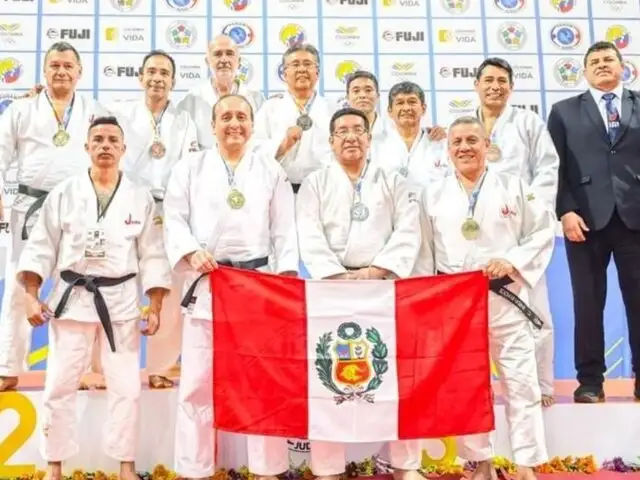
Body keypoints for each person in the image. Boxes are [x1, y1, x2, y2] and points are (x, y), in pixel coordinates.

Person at [16, 115, 171, 480]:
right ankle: (54, 464)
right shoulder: (64, 193)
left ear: (123, 149)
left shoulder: (139, 196)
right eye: (97, 139)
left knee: (127, 389)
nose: (104, 145)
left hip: (121, 304)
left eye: (112, 140)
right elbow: (40, 246)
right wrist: (31, 295)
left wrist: (156, 305)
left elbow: (152, 253)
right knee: (58, 385)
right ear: (86, 147)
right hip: (72, 301)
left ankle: (125, 463)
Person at [163, 94, 299, 479]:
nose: (234, 123)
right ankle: (194, 469)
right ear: (212, 125)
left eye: (242, 116)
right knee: (197, 383)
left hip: (256, 285)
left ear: (253, 126)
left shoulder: (270, 169)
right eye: (226, 117)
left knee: (262, 380)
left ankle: (267, 468)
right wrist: (190, 252)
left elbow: (284, 229)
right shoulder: (190, 166)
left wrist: (286, 276)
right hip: (208, 282)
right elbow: (173, 217)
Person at [416, 116, 554, 480]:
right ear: (447, 150)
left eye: (472, 140)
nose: (464, 148)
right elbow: (425, 253)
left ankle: (525, 462)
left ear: (486, 145)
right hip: (456, 303)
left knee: (521, 381)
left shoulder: (515, 186)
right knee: (468, 385)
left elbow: (541, 234)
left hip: (505, 298)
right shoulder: (433, 193)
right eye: (457, 141)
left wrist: (512, 260)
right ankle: (481, 461)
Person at [296, 107, 422, 480]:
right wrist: (337, 275)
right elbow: (309, 232)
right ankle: (326, 467)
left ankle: (405, 464)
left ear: (370, 137)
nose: (350, 137)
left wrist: (375, 270)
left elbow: (408, 230)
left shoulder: (392, 179)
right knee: (327, 376)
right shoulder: (316, 182)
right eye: (342, 131)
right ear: (331, 140)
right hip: (330, 289)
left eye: (358, 130)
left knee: (396, 375)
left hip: (382, 286)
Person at [0, 41, 108, 391]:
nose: (61, 71)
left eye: (67, 66)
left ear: (79, 72)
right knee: (20, 286)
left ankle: (77, 369)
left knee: (78, 287)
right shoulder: (21, 109)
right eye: (54, 65)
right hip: (29, 209)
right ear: (44, 71)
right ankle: (7, 366)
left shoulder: (95, 109)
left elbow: (110, 153)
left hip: (78, 209)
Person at [547, 41, 640, 403]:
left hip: (635, 218)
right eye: (594, 61)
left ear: (623, 66)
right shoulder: (563, 111)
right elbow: (555, 169)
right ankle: (589, 381)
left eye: (608, 59)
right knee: (587, 303)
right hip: (583, 221)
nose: (602, 65)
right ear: (584, 72)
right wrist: (565, 210)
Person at [103, 49, 199, 389]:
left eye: (165, 73)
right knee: (120, 284)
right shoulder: (120, 113)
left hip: (170, 210)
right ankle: (113, 367)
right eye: (152, 72)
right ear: (140, 77)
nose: (157, 78)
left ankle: (160, 366)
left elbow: (190, 167)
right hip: (128, 206)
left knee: (169, 290)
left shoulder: (184, 121)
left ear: (173, 81)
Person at [472, 57, 559, 407]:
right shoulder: (465, 125)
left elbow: (547, 168)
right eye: (488, 79)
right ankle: (482, 387)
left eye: (502, 81)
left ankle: (543, 387)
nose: (495, 86)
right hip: (480, 230)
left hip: (521, 227)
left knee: (535, 308)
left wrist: (531, 210)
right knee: (481, 317)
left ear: (511, 87)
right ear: (476, 84)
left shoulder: (528, 122)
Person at [253, 43, 335, 193]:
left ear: (317, 72)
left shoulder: (332, 109)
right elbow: (254, 147)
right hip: (280, 189)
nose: (302, 69)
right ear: (284, 74)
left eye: (308, 64)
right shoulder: (270, 108)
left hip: (323, 189)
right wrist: (283, 145)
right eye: (295, 64)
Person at [177, 34, 265, 150]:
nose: (224, 60)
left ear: (238, 61)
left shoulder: (256, 99)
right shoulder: (191, 100)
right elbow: (182, 146)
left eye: (229, 54)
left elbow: (262, 143)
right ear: (208, 61)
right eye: (217, 54)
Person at [343, 72, 446, 162]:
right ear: (347, 97)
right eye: (356, 91)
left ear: (378, 95)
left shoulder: (390, 130)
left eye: (368, 90)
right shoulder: (336, 130)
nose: (362, 95)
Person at [377, 82, 449, 193]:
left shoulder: (440, 143)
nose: (406, 108)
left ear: (423, 108)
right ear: (390, 111)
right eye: (400, 103)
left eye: (412, 102)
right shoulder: (377, 145)